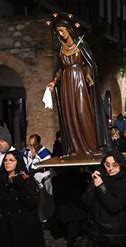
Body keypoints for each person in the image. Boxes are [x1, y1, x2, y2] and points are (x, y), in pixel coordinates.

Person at [47, 13, 111, 155]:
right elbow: (59, 69)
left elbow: (89, 64)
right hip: (66, 83)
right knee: (70, 113)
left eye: (62, 30)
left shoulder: (81, 43)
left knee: (83, 111)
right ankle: (75, 147)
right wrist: (54, 81)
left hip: (80, 80)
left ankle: (92, 146)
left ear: (69, 29)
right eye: (58, 32)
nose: (61, 34)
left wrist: (88, 75)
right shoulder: (61, 49)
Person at [23, 134, 53, 222]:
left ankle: (41, 219)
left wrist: (34, 156)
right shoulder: (28, 152)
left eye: (34, 145)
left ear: (39, 143)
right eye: (30, 145)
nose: (32, 147)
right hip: (29, 180)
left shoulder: (46, 153)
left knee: (41, 202)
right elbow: (26, 165)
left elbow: (39, 167)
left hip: (41, 180)